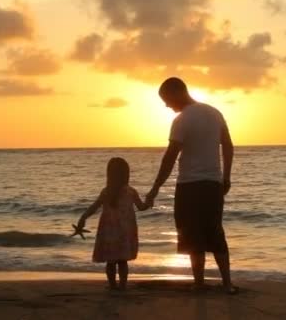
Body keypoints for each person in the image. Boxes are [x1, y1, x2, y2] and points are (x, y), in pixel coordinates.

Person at [145, 77, 237, 294]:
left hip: (189, 185)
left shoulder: (182, 120)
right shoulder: (215, 113)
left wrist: (155, 188)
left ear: (178, 92)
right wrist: (226, 177)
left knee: (192, 234)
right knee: (215, 232)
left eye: (166, 99)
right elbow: (229, 146)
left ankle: (199, 283)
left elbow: (169, 158)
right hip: (214, 184)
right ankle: (227, 284)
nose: (167, 105)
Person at [74, 157, 150, 291]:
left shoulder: (106, 192)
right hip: (125, 231)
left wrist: (83, 217)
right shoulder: (130, 191)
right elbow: (141, 207)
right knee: (122, 260)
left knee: (110, 260)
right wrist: (150, 201)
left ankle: (112, 285)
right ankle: (123, 285)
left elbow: (94, 207)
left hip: (109, 231)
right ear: (126, 174)